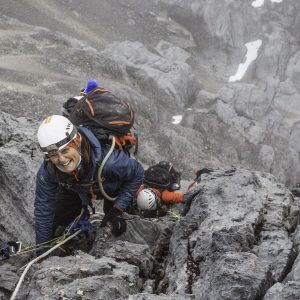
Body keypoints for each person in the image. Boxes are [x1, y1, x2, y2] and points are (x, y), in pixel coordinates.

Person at [34, 114, 144, 247]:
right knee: (55, 224)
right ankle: (79, 219)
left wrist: (118, 208)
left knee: (117, 226)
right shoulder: (49, 171)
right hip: (75, 188)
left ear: (77, 142)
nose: (61, 159)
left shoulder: (110, 162)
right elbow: (43, 208)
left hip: (113, 187)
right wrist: (41, 250)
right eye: (53, 155)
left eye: (65, 151)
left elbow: (137, 173)